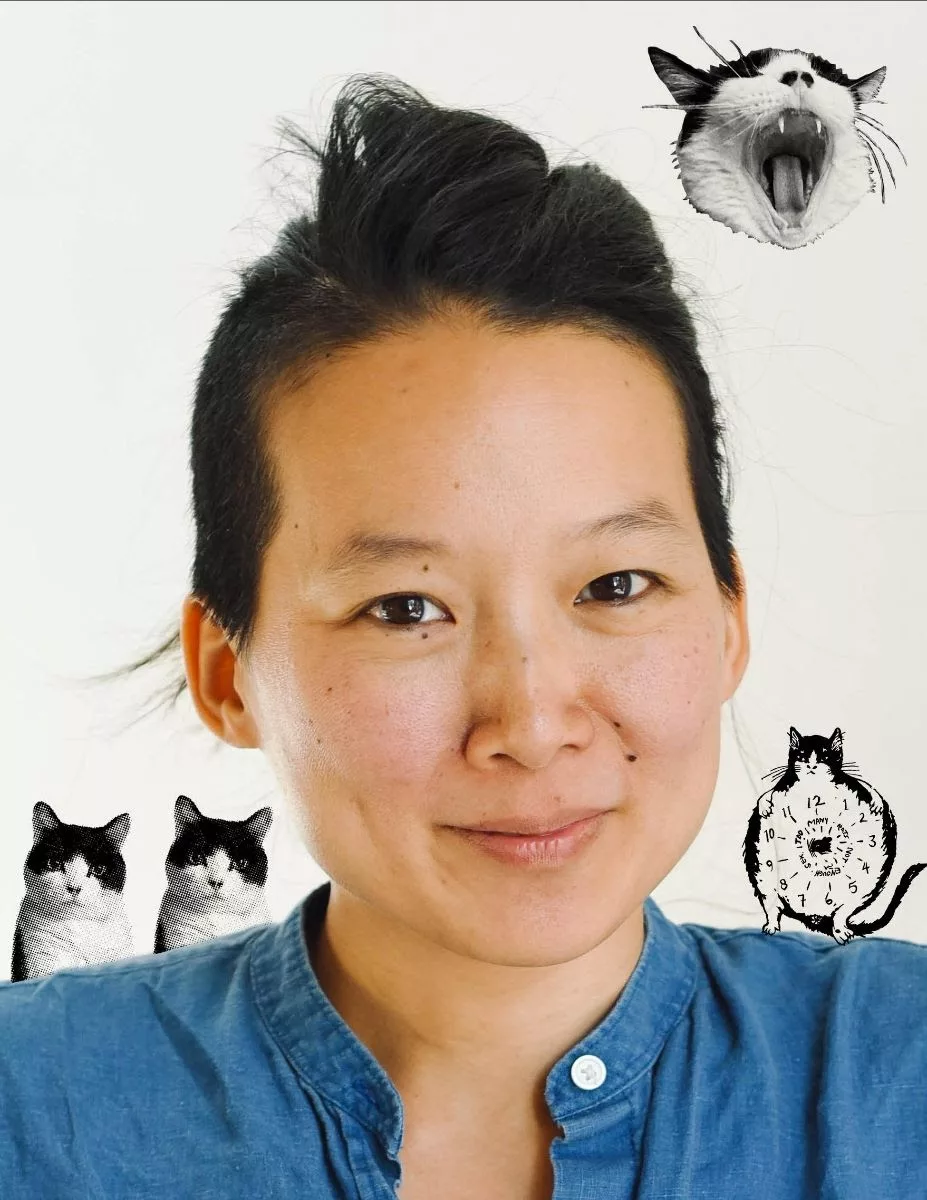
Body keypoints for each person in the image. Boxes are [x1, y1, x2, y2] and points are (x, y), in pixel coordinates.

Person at [1, 74, 924, 1200]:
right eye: (405, 608)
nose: (530, 724)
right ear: (226, 674)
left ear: (729, 618)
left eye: (616, 584)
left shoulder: (896, 1071)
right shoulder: (32, 1109)